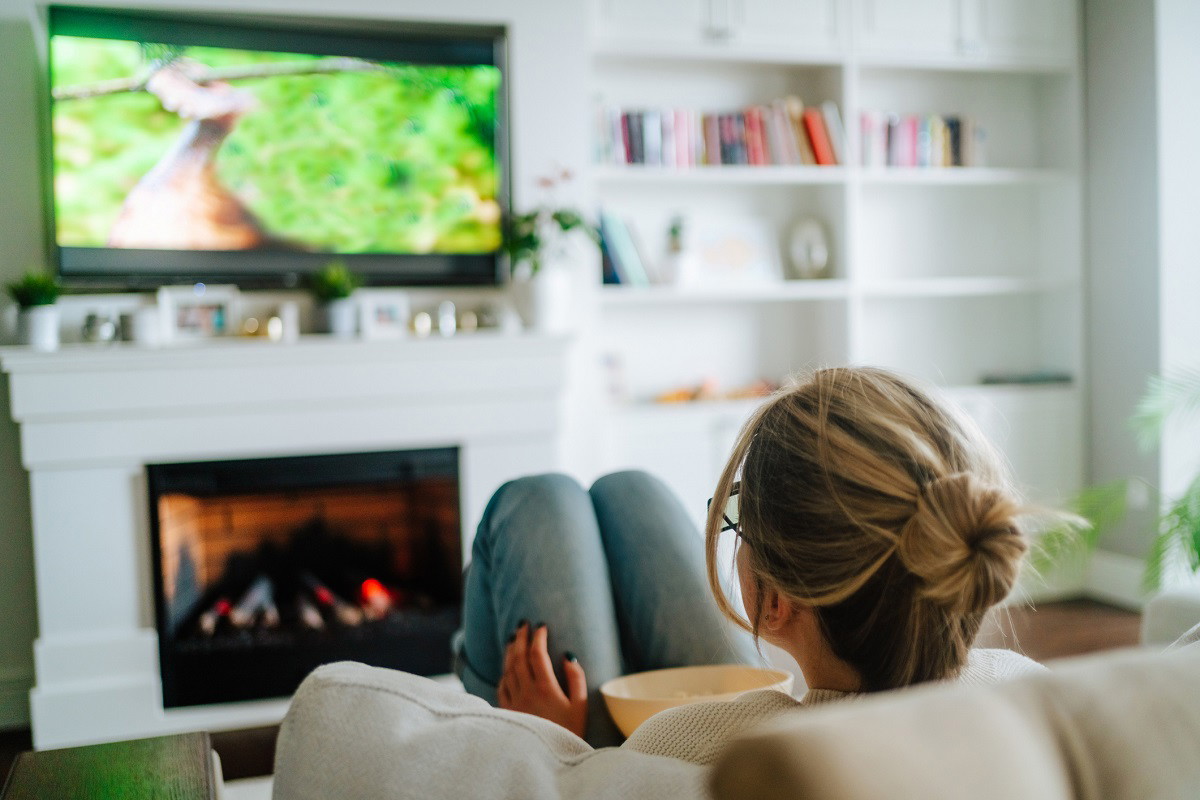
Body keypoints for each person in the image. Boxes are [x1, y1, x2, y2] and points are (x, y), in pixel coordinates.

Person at [453, 366, 1045, 759]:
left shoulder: (687, 746)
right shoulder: (1027, 687)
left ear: (777, 603)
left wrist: (556, 746)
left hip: (590, 742)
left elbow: (595, 786)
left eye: (736, 518)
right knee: (630, 491)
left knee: (537, 499)